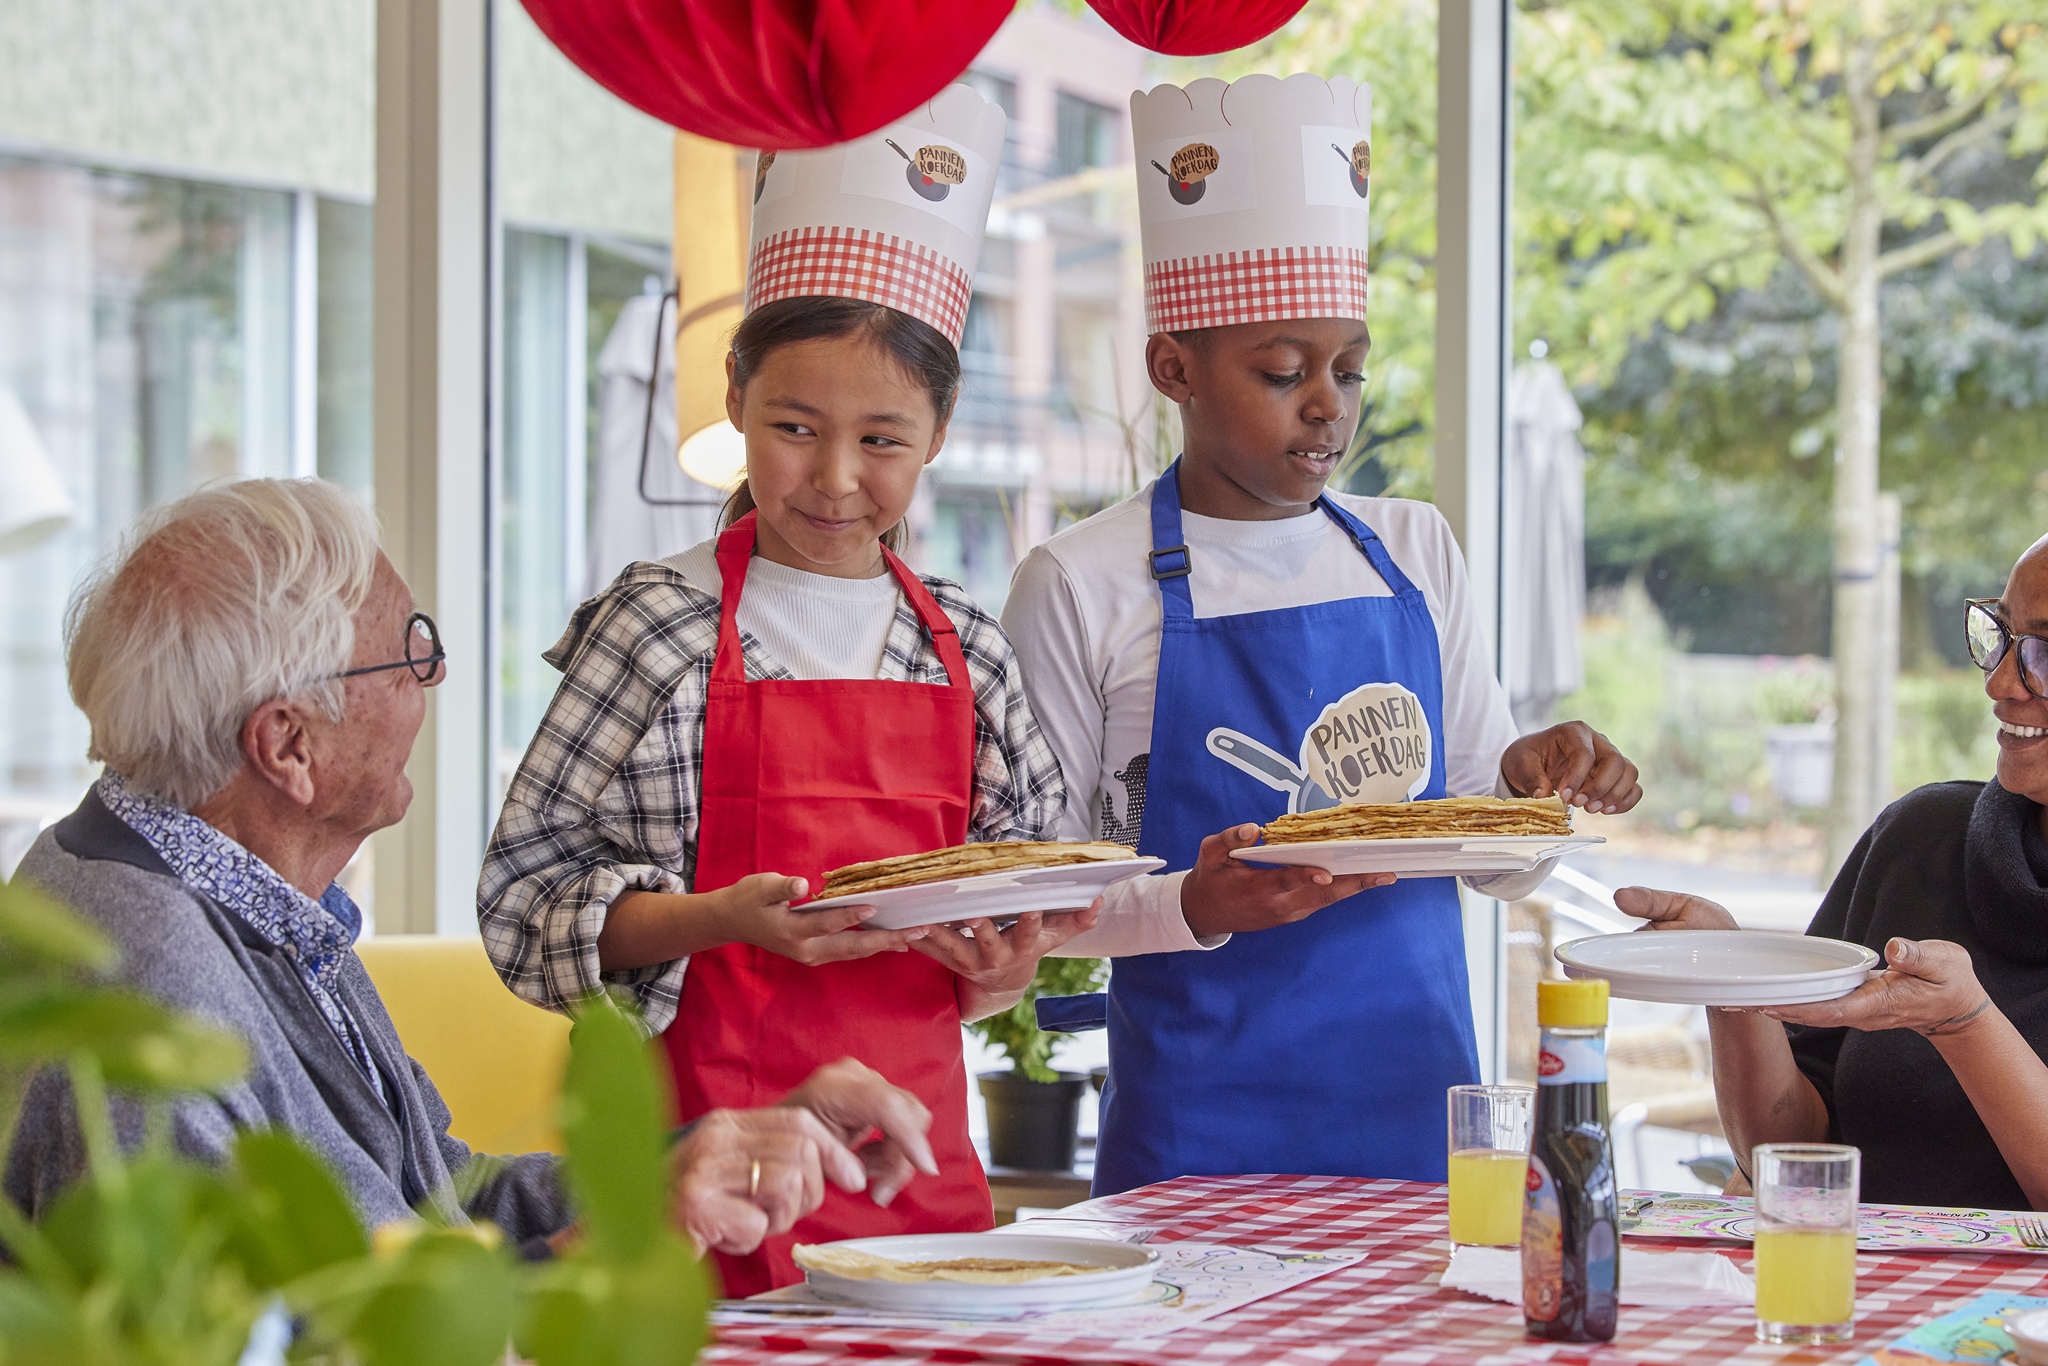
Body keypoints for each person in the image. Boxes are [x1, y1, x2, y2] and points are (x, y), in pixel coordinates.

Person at [478, 87, 1189, 1294]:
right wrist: (719, 918)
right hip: (697, 1187)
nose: (834, 478)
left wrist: (1003, 962)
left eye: (882, 440)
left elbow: (1008, 933)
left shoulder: (963, 648)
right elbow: (518, 903)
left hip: (919, 1190)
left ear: (939, 428)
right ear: (734, 393)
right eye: (794, 427)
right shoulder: (657, 626)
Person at [2, 478, 940, 1259]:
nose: (433, 677)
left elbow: (438, 1207)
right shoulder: (144, 984)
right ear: (288, 746)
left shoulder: (248, 900)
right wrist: (617, 1244)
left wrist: (714, 1154)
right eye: (406, 651)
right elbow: (270, 1343)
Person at [1002, 73, 1642, 1196]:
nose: (1328, 406)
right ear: (1172, 367)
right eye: (1281, 372)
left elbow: (1495, 855)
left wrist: (1525, 784)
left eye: (1348, 370)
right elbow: (1039, 897)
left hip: (1418, 1111)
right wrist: (1195, 903)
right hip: (1195, 1134)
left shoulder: (1413, 546)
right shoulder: (1077, 581)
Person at [1619, 533, 2048, 1210]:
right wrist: (1734, 980)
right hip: (1848, 1274)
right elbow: (1788, 1154)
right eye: (2002, 635)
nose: (1998, 683)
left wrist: (1965, 1023)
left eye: (2045, 654)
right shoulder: (1920, 837)